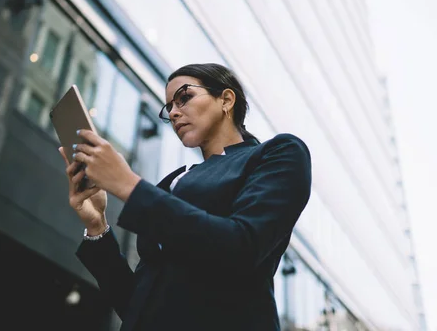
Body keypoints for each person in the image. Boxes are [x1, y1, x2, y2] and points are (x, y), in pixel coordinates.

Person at [59, 63, 312, 330]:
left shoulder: (278, 153)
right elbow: (137, 307)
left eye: (184, 98)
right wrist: (97, 225)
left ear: (226, 99)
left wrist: (128, 185)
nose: (175, 113)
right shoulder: (172, 182)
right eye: (169, 108)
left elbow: (242, 246)